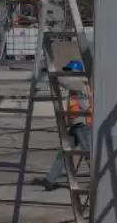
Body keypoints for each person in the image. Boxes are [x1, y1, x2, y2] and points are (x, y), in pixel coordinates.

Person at [38, 60, 91, 191]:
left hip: (83, 125)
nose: (67, 74)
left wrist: (52, 72)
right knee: (64, 152)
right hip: (76, 125)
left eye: (69, 71)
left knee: (89, 154)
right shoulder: (77, 85)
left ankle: (97, 180)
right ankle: (50, 180)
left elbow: (64, 81)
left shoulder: (80, 83)